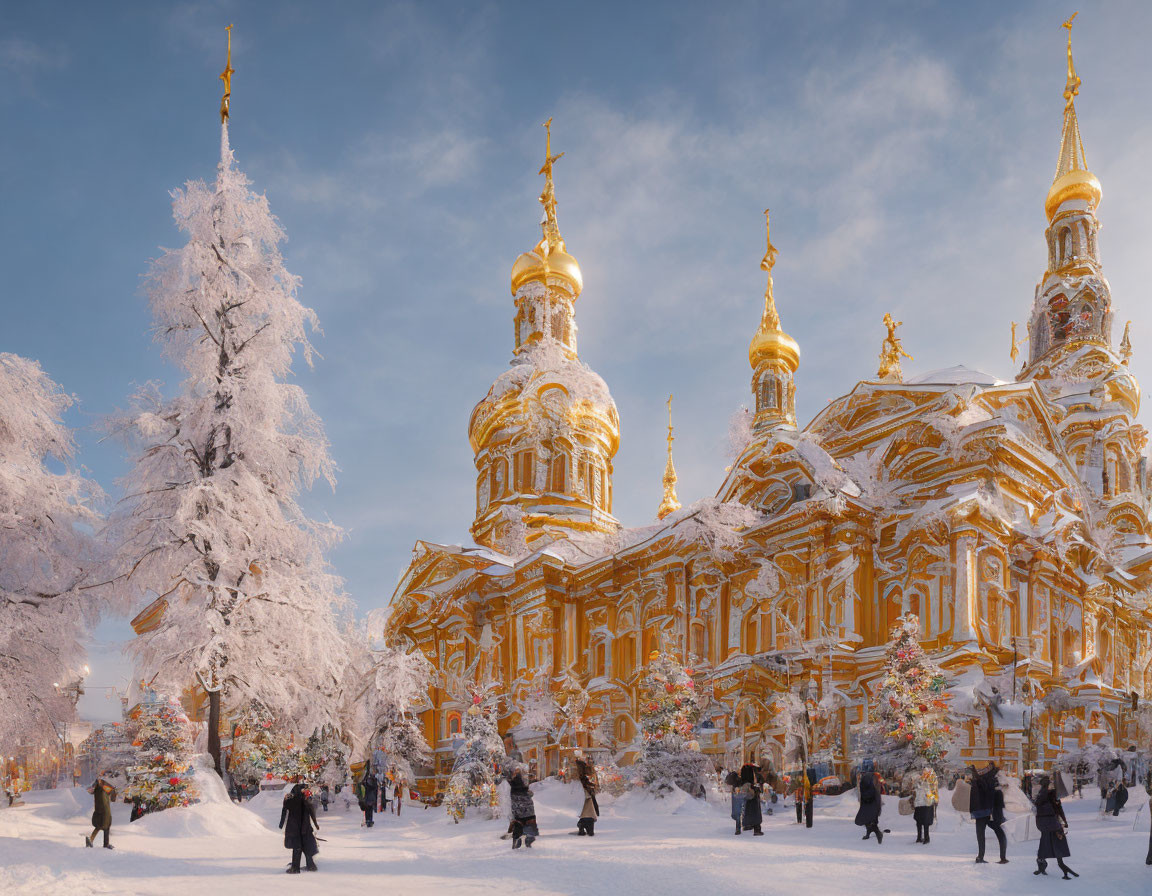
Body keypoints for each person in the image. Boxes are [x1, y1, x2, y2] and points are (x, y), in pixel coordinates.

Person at [1034, 774, 1077, 879]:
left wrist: (1064, 821)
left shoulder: (1044, 794)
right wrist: (1064, 821)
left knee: (1046, 844)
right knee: (1056, 844)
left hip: (1047, 823)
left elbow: (1057, 808)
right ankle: (1060, 866)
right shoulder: (1050, 794)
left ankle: (1044, 865)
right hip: (1053, 823)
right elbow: (1058, 808)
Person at [969, 764, 1008, 864]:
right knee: (997, 833)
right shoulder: (987, 780)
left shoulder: (984, 780)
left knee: (982, 834)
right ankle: (998, 857)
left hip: (983, 812)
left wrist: (975, 773)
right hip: (986, 812)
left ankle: (982, 857)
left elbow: (984, 786)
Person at [279, 782, 319, 873]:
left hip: (295, 828)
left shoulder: (291, 801)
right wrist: (316, 824)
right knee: (306, 846)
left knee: (297, 847)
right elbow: (312, 812)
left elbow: (284, 809)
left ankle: (295, 868)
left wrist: (281, 824)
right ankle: (311, 865)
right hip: (305, 827)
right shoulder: (306, 800)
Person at [508, 766, 539, 849]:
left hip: (517, 810)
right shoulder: (524, 788)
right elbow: (530, 794)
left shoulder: (512, 788)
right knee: (529, 822)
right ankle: (529, 837)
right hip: (528, 811)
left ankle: (517, 839)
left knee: (518, 823)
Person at [855, 759, 883, 844]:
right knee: (870, 818)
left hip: (869, 802)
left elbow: (870, 790)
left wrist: (865, 798)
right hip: (873, 801)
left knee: (867, 818)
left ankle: (877, 833)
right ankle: (869, 832)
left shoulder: (867, 777)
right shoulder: (873, 776)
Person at [84, 774, 116, 849]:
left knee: (101, 825)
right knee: (105, 825)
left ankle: (92, 840)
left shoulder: (97, 786)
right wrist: (113, 792)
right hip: (104, 809)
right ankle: (103, 843)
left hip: (99, 809)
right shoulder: (104, 785)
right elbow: (112, 794)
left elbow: (90, 790)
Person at [910, 767, 938, 845]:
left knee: (925, 822)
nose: (924, 774)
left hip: (927, 804)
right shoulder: (920, 780)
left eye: (926, 772)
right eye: (924, 772)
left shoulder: (930, 781)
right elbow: (916, 789)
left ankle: (926, 838)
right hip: (919, 804)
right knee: (918, 821)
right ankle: (919, 837)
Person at [575, 759, 599, 836]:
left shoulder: (576, 770)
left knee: (586, 810)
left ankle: (582, 826)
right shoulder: (584, 769)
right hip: (587, 792)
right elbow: (590, 778)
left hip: (582, 792)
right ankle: (587, 828)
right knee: (589, 810)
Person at [739, 763, 764, 835]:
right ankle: (757, 829)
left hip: (747, 795)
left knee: (747, 809)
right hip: (753, 794)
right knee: (756, 812)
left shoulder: (744, 772)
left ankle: (747, 825)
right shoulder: (751, 771)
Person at [726, 770, 745, 835]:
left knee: (737, 811)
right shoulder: (742, 778)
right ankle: (741, 826)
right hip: (740, 794)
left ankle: (738, 828)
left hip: (735, 794)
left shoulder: (734, 776)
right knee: (741, 810)